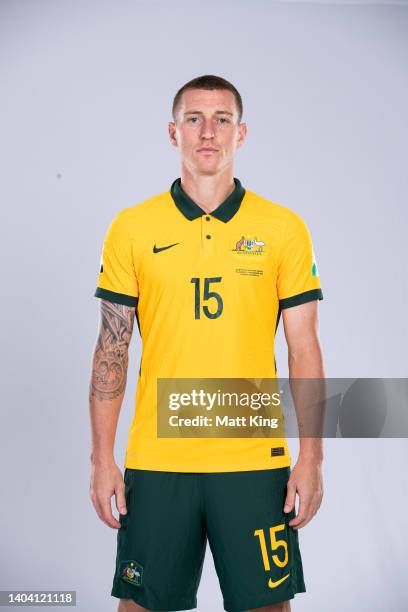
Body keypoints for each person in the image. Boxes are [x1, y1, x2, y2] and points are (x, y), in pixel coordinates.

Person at [89, 74, 325, 612]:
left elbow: (304, 348)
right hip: (157, 456)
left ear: (242, 134)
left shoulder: (284, 228)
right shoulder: (132, 227)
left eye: (222, 120)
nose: (208, 133)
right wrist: (103, 458)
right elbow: (111, 348)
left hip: (253, 456)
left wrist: (311, 458)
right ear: (173, 133)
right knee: (142, 606)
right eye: (194, 119)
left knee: (268, 606)